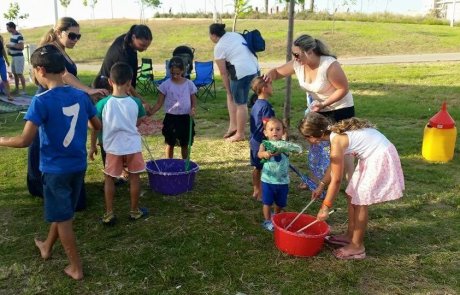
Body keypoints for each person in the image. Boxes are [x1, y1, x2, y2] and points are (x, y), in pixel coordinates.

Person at [0, 44, 101, 280]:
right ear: (63, 69)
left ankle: (75, 266)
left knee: (64, 218)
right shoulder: (81, 96)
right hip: (78, 165)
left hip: (55, 169)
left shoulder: (41, 101)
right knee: (63, 209)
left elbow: (25, 140)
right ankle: (46, 246)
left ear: (40, 70)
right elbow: (97, 125)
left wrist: (2, 139)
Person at [298, 112, 404, 260]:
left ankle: (357, 246)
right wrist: (321, 185)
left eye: (306, 137)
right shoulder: (335, 134)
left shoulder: (337, 141)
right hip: (372, 155)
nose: (307, 140)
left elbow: (336, 179)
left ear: (314, 136)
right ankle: (350, 235)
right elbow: (333, 167)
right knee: (351, 194)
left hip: (379, 156)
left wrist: (325, 207)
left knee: (360, 201)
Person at [26, 17, 108, 205]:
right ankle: (42, 185)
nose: (75, 39)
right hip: (49, 98)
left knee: (59, 141)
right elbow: (64, 75)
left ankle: (60, 186)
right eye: (71, 35)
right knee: (44, 143)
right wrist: (87, 90)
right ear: (58, 32)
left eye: (78, 36)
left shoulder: (60, 49)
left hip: (61, 98)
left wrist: (85, 92)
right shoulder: (49, 52)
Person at [90, 62, 148, 225]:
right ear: (130, 82)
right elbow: (140, 120)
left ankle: (109, 214)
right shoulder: (136, 102)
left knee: (109, 178)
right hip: (132, 147)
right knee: (135, 178)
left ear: (110, 81)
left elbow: (93, 124)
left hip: (112, 148)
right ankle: (135, 211)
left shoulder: (102, 104)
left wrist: (94, 142)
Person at [209, 23, 260, 142]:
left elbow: (223, 73)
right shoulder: (234, 35)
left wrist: (228, 89)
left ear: (213, 35)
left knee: (241, 104)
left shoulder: (219, 47)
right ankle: (234, 126)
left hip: (241, 73)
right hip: (254, 68)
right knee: (256, 100)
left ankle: (240, 134)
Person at [151, 56, 197, 159]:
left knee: (185, 143)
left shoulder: (189, 84)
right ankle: (169, 163)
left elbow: (194, 100)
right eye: (172, 73)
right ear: (169, 71)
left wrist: (193, 109)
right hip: (171, 118)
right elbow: (159, 103)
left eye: (177, 73)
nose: (175, 76)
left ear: (182, 71)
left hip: (185, 118)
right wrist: (151, 112)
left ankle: (185, 164)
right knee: (170, 143)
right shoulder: (165, 85)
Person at [96, 24, 152, 92]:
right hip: (106, 87)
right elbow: (126, 85)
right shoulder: (122, 53)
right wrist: (141, 101)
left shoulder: (128, 40)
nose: (145, 48)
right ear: (133, 37)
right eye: (142, 45)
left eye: (147, 46)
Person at [257, 117, 290, 232]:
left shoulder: (285, 145)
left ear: (283, 132)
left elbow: (286, 150)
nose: (274, 132)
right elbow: (259, 154)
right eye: (271, 129)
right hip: (267, 180)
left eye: (278, 129)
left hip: (282, 181)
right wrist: (264, 153)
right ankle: (267, 220)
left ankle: (275, 215)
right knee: (267, 202)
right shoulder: (264, 144)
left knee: (280, 202)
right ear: (265, 133)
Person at [249, 76, 275, 201]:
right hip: (262, 144)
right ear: (264, 88)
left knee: (257, 167)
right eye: (271, 85)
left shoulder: (256, 104)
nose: (272, 87)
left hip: (254, 141)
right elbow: (267, 125)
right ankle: (262, 194)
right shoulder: (266, 106)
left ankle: (256, 191)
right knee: (265, 169)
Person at [5, 22, 26, 95]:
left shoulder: (19, 36)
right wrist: (9, 51)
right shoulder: (12, 36)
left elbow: (21, 47)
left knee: (19, 73)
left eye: (7, 28)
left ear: (11, 28)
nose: (7, 29)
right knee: (15, 74)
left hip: (19, 57)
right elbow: (14, 45)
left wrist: (11, 46)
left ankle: (24, 90)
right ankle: (17, 89)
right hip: (14, 57)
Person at [0, 35, 13, 101]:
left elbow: (3, 51)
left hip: (1, 61)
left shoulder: (0, 40)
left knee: (4, 78)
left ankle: (9, 95)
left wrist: (7, 60)